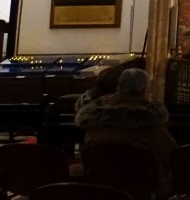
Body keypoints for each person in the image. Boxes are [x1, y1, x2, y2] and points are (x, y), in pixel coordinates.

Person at [75, 67, 176, 196]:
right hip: (140, 190)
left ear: (119, 86)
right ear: (143, 89)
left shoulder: (94, 120)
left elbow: (88, 155)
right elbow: (171, 155)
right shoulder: (151, 124)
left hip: (102, 188)